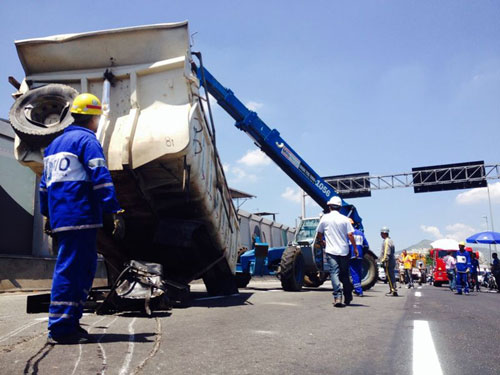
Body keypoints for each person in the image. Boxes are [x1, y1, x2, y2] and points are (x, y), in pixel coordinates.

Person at [40, 93, 123, 344]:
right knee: (72, 269)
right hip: (81, 215)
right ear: (95, 117)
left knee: (80, 269)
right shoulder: (87, 141)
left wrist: (47, 214)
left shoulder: (54, 145)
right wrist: (114, 210)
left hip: (63, 216)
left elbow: (44, 186)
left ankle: (70, 322)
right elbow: (100, 176)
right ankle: (61, 328)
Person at [315, 196, 358, 307]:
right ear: (340, 208)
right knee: (344, 274)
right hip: (344, 251)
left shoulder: (325, 218)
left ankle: (337, 297)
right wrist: (355, 248)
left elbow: (319, 233)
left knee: (334, 273)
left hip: (331, 251)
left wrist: (322, 241)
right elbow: (350, 235)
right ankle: (348, 296)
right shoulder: (345, 219)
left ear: (329, 206)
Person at [348, 223, 369, 297]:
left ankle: (358, 290)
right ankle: (358, 288)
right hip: (360, 256)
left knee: (354, 273)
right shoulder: (361, 233)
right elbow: (366, 245)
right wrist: (362, 253)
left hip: (352, 255)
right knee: (359, 272)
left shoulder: (348, 233)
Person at [379, 227, 398, 296]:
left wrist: (384, 260)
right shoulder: (389, 240)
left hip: (388, 261)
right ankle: (392, 289)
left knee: (390, 276)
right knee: (391, 275)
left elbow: (387, 251)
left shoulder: (387, 241)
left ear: (384, 233)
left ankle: (393, 290)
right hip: (391, 260)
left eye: (381, 233)